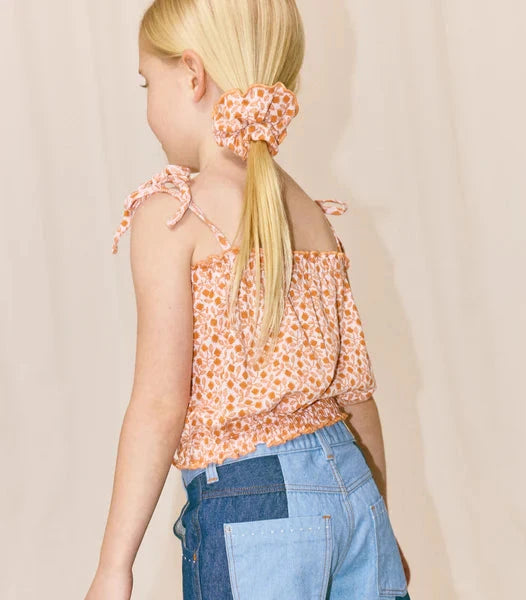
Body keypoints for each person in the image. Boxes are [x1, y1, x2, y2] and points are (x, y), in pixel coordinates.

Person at [85, 1, 412, 599]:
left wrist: (114, 566)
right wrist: (378, 520)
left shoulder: (175, 214)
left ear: (192, 75)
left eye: (147, 83)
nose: (147, 105)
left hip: (252, 505)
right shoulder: (309, 212)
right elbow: (356, 395)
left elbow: (159, 403)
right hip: (352, 489)